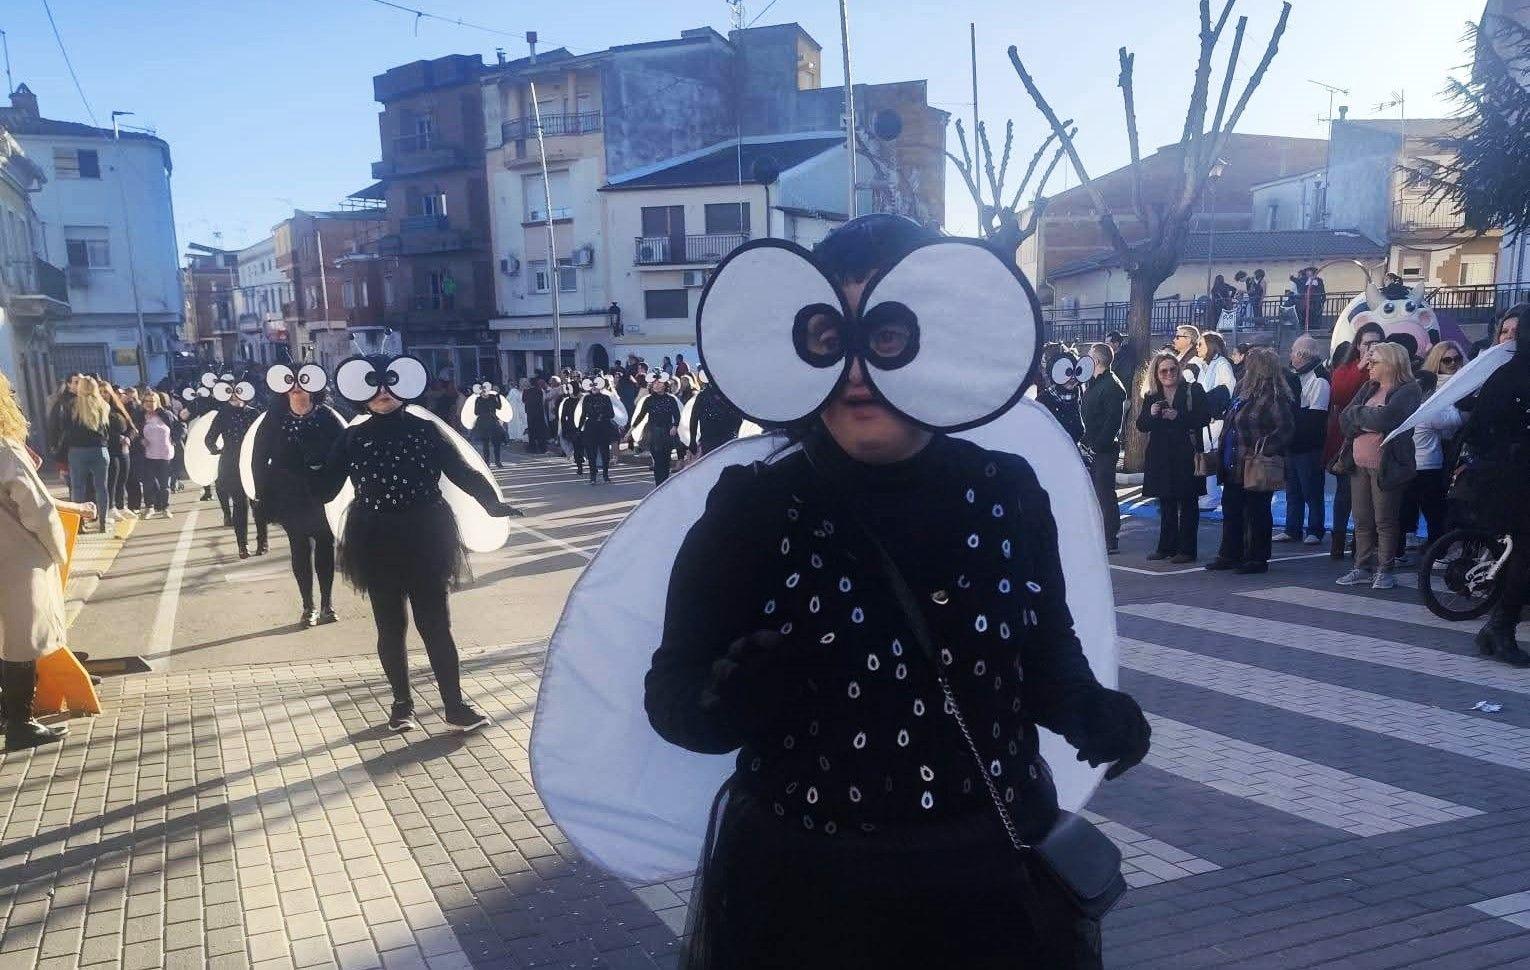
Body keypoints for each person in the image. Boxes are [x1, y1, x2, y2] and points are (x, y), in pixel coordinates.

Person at [643, 215, 1147, 968]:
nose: (853, 370)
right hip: (809, 897)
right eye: (828, 337)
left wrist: (1092, 711)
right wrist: (734, 694)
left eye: (883, 336)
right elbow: (673, 695)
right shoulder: (753, 507)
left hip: (986, 886)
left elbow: (1041, 656)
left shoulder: (1004, 491)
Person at [313, 354, 522, 732]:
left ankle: (454, 706)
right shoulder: (353, 436)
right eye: (372, 386)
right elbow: (326, 487)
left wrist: (492, 503)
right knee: (390, 627)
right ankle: (401, 704)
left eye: (388, 384)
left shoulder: (425, 430)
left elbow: (461, 470)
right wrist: (300, 469)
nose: (381, 393)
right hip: (374, 539)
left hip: (425, 534)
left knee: (435, 625)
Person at [0, 372, 100, 750]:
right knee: (22, 639)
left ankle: (7, 713)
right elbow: (36, 507)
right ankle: (20, 723)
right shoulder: (5, 449)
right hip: (14, 556)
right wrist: (55, 549)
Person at [251, 363, 346, 628]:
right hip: (289, 493)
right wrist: (260, 494)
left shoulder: (327, 417)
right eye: (291, 382)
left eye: (303, 381)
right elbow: (258, 457)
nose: (297, 387)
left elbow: (345, 454)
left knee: (325, 546)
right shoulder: (274, 418)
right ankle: (308, 606)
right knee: (299, 547)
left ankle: (327, 603)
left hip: (323, 493)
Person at [1332, 343, 1421, 591]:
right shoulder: (1369, 387)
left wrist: (1362, 416)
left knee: (1385, 520)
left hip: (1387, 464)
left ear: (1391, 364)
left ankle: (1385, 569)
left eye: (1375, 362)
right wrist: (1368, 417)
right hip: (1358, 462)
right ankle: (1361, 567)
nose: (1369, 366)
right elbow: (1344, 418)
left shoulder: (1408, 390)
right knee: (1362, 520)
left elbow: (1388, 418)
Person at [1205, 347, 1293, 574]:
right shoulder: (1242, 393)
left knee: (1257, 511)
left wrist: (1263, 449)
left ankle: (1257, 557)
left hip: (1256, 465)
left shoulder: (1274, 396)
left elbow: (1285, 429)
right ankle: (1229, 554)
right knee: (1232, 509)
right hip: (1234, 463)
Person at [1137, 351, 1210, 563]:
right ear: (1156, 374)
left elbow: (1204, 417)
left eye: (1172, 369)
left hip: (1186, 454)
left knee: (1188, 502)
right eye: (1163, 371)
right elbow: (1141, 426)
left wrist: (1179, 416)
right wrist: (1151, 413)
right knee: (1166, 502)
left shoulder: (1192, 390)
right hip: (1160, 456)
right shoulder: (1152, 396)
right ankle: (1166, 546)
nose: (1168, 374)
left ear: (1178, 370)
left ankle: (1187, 549)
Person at [1400, 342, 1467, 556]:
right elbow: (1450, 420)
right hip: (1433, 454)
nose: (1454, 364)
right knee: (1429, 506)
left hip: (1453, 449)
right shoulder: (1427, 391)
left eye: (1457, 359)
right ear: (1437, 361)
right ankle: (1432, 547)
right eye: (1447, 360)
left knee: (1437, 506)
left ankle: (1434, 545)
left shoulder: (1467, 382)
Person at [1324, 323, 1383, 559]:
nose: (1372, 347)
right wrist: (1360, 366)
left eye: (1377, 342)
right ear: (1358, 344)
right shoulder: (1346, 368)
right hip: (1346, 441)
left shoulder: (1385, 368)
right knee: (1344, 494)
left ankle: (1363, 545)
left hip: (1373, 440)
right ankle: (1338, 541)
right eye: (1367, 342)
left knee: (1368, 498)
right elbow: (1339, 394)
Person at [1276, 335, 1331, 545]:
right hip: (1293, 443)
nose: (1290, 355)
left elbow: (1316, 417)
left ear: (1301, 354)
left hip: (1309, 445)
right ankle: (1292, 528)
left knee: (1312, 489)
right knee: (1293, 490)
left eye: (1293, 351)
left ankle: (1315, 529)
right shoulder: (1296, 376)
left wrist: (1292, 417)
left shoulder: (1319, 379)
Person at [205, 380, 267, 559]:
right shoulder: (222, 414)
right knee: (240, 504)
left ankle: (262, 541)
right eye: (230, 392)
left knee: (257, 503)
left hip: (253, 463)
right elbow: (209, 438)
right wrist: (216, 450)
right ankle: (243, 545)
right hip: (232, 464)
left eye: (237, 391)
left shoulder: (254, 413)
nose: (234, 395)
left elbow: (263, 437)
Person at [1080, 343, 1127, 554]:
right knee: (1095, 493)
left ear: (1097, 361)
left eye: (1089, 356)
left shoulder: (1112, 386)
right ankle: (1098, 534)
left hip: (1104, 450)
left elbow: (1112, 422)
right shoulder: (1096, 382)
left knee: (1105, 493)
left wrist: (1097, 445)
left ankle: (1110, 537)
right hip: (1093, 446)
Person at [57, 376, 112, 534]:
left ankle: (79, 524)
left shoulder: (71, 406)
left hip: (77, 451)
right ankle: (103, 523)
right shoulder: (104, 405)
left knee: (78, 488)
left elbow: (65, 430)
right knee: (101, 487)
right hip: (99, 450)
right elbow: (106, 430)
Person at [1195, 332, 1237, 512]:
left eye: (1201, 344)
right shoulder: (1206, 365)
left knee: (1208, 455)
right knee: (1204, 454)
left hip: (1215, 419)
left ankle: (1211, 496)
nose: (1197, 348)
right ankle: (1206, 494)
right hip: (1206, 418)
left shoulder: (1221, 364)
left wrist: (1213, 410)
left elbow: (1226, 391)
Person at [632, 374, 682, 484]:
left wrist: (675, 426)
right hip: (653, 433)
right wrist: (631, 430)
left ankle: (664, 483)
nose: (656, 385)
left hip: (667, 432)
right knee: (657, 460)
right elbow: (641, 416)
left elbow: (677, 415)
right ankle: (658, 484)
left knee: (666, 460)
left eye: (659, 383)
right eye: (654, 383)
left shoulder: (671, 399)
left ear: (665, 385)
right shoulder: (649, 400)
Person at [100, 382, 137, 523]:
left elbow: (132, 427)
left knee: (123, 479)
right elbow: (102, 431)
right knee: (112, 481)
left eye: (106, 392)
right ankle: (111, 507)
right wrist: (118, 438)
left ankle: (121, 506)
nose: (104, 395)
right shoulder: (99, 410)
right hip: (110, 449)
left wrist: (128, 437)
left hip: (124, 449)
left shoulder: (119, 409)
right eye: (101, 392)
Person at [1036, 344, 1087, 444]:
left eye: (1075, 372)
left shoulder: (1077, 393)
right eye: (1067, 372)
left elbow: (1079, 430)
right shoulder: (1043, 400)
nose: (1072, 378)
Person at [139, 393, 178, 519]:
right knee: (148, 483)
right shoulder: (140, 416)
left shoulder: (166, 414)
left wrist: (175, 439)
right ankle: (149, 507)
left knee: (164, 484)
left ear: (157, 402)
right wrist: (140, 440)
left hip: (165, 454)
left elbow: (180, 427)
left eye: (152, 401)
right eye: (147, 401)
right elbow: (134, 431)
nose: (149, 404)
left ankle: (165, 507)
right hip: (148, 455)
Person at [689, 372, 744, 456]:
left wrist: (739, 435)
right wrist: (692, 440)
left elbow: (738, 418)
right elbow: (694, 419)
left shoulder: (730, 395)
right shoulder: (702, 396)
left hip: (728, 439)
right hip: (709, 440)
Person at [577, 379, 618, 484]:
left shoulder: (606, 398)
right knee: (591, 453)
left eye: (596, 386)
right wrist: (579, 428)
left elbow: (611, 414)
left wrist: (602, 416)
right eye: (592, 386)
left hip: (603, 427)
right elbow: (583, 414)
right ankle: (593, 476)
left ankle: (605, 475)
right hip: (590, 428)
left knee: (605, 452)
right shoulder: (586, 398)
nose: (594, 388)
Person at [470, 382, 510, 468]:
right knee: (485, 443)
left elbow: (499, 407)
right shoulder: (478, 399)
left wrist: (498, 396)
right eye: (483, 390)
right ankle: (487, 462)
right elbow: (476, 412)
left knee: (497, 443)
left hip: (492, 422)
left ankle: (497, 461)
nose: (484, 392)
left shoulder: (492, 397)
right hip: (484, 422)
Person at [523, 378, 550, 453]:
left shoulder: (526, 391)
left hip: (530, 413)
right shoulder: (540, 391)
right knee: (540, 431)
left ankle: (532, 447)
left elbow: (523, 400)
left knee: (531, 431)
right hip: (539, 413)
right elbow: (543, 401)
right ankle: (542, 448)